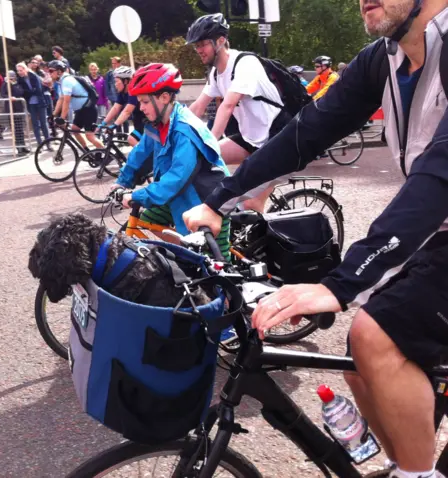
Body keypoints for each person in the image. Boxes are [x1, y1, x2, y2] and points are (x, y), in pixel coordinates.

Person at [183, 1, 448, 477]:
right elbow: (307, 132)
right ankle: (404, 465)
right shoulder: (382, 58)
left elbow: (442, 172)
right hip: (434, 228)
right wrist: (221, 198)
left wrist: (342, 283)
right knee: (359, 358)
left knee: (374, 337)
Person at [110, 63, 232, 259]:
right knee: (148, 219)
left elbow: (177, 178)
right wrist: (121, 182)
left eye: (145, 102)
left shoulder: (184, 130)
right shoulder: (157, 125)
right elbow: (140, 154)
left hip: (208, 201)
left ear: (164, 97)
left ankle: (202, 261)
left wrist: (137, 195)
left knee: (218, 268)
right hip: (180, 196)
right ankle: (186, 253)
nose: (140, 108)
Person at [186, 13, 292, 212]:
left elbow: (227, 106)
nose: (198, 50)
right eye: (196, 46)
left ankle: (262, 241)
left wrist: (208, 144)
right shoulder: (216, 73)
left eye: (202, 44)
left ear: (221, 40)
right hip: (251, 139)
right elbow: (198, 108)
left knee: (250, 204)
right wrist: (174, 134)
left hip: (278, 140)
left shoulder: (245, 64)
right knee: (197, 162)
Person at [49, 60, 104, 151]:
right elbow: (61, 99)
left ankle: (106, 154)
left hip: (88, 109)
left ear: (59, 71)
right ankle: (86, 152)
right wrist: (53, 114)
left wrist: (62, 118)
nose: (49, 74)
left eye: (51, 71)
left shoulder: (67, 81)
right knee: (75, 129)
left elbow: (66, 101)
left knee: (89, 136)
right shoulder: (61, 82)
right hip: (80, 110)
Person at [99, 66, 146, 147]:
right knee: (139, 145)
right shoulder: (123, 92)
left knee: (131, 139)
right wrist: (103, 123)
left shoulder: (134, 91)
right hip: (138, 121)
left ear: (126, 81)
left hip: (147, 121)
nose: (115, 84)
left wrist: (115, 125)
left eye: (117, 81)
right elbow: (115, 108)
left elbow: (127, 111)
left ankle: (148, 159)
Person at [17, 61, 50, 146]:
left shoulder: (33, 76)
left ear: (25, 69)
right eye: (18, 71)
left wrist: (29, 92)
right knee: (35, 124)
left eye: (21, 70)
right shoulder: (20, 79)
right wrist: (31, 91)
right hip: (30, 103)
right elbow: (23, 92)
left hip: (40, 101)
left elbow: (39, 90)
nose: (19, 72)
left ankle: (48, 143)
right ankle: (40, 144)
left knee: (44, 123)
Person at [0, 70, 31, 156]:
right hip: (11, 109)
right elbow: (3, 94)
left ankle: (23, 146)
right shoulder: (5, 84)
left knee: (20, 129)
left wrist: (15, 85)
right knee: (15, 129)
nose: (12, 78)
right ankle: (19, 147)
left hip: (19, 108)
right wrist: (10, 96)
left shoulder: (17, 83)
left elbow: (21, 92)